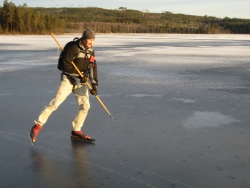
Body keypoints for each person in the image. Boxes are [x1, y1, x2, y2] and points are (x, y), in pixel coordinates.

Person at [30, 28, 98, 143]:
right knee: (56, 102)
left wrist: (94, 85)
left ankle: (76, 130)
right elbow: (64, 65)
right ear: (83, 39)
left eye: (93, 40)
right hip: (69, 79)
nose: (91, 42)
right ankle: (37, 125)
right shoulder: (73, 47)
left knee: (85, 105)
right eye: (89, 40)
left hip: (81, 82)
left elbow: (92, 67)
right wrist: (79, 75)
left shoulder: (90, 50)